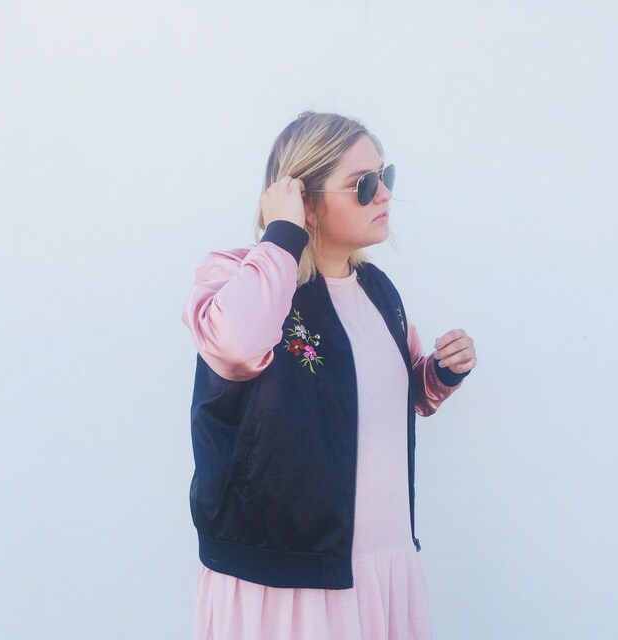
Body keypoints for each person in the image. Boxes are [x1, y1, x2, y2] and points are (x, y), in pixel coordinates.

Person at [182, 111, 477, 640]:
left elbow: (395, 396)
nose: (384, 194)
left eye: (385, 176)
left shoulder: (377, 289)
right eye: (363, 184)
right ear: (306, 201)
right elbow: (236, 346)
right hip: (286, 580)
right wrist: (282, 234)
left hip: (381, 567)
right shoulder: (238, 274)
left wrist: (440, 372)